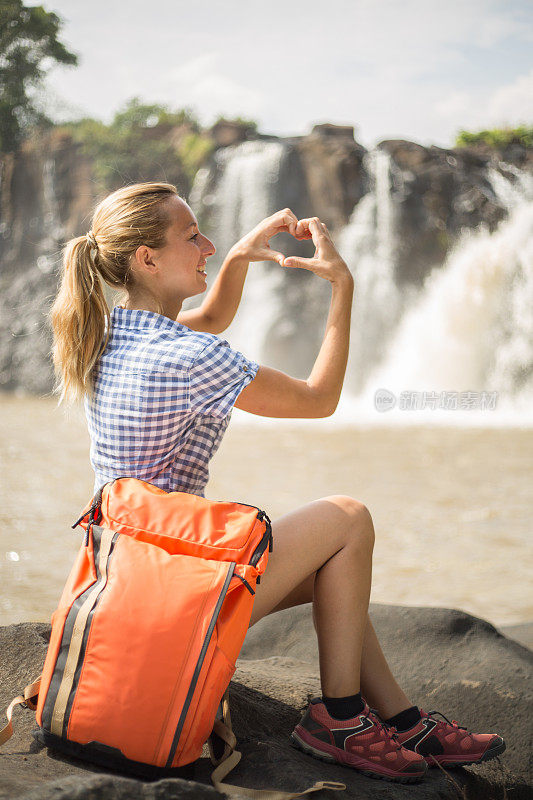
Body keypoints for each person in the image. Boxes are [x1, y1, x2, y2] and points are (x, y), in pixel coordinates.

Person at [49, 181, 505, 784]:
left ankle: (403, 719)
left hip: (120, 582)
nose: (207, 245)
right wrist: (343, 290)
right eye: (194, 237)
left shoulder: (102, 333)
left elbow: (208, 318)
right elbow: (320, 400)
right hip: (173, 596)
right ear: (147, 259)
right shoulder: (192, 359)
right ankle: (339, 719)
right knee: (347, 518)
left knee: (332, 571)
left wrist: (237, 257)